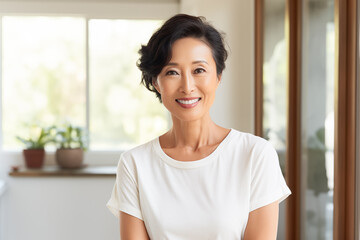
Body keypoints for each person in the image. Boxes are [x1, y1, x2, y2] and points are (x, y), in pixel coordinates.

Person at [107, 14, 291, 239]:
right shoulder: (135, 164)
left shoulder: (255, 155)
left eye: (199, 70)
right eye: (172, 72)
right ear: (156, 82)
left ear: (218, 76)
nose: (187, 86)